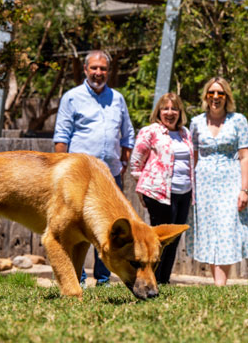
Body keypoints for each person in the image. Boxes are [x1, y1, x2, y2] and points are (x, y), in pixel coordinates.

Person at [53, 50, 135, 287]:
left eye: (103, 69)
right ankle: (77, 278)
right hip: (80, 178)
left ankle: (104, 278)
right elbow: (62, 137)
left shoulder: (117, 99)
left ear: (108, 71)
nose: (99, 73)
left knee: (111, 229)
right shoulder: (72, 97)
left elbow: (127, 135)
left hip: (110, 176)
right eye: (94, 68)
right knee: (76, 227)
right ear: (86, 70)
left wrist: (124, 164)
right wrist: (61, 171)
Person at [187, 77, 248, 286]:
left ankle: (220, 285)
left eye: (220, 93)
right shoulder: (196, 122)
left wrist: (244, 189)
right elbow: (193, 155)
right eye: (212, 93)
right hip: (204, 183)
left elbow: (245, 156)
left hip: (229, 181)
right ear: (206, 96)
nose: (216, 97)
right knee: (209, 229)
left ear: (227, 97)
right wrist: (191, 187)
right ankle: (217, 283)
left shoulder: (238, 120)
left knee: (227, 228)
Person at [130, 93, 194, 284]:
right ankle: (154, 281)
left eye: (174, 108)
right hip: (159, 194)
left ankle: (164, 280)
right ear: (158, 111)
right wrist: (143, 189)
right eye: (165, 108)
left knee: (174, 239)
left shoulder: (185, 133)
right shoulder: (150, 132)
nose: (170, 112)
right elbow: (136, 163)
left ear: (180, 112)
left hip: (184, 192)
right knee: (159, 241)